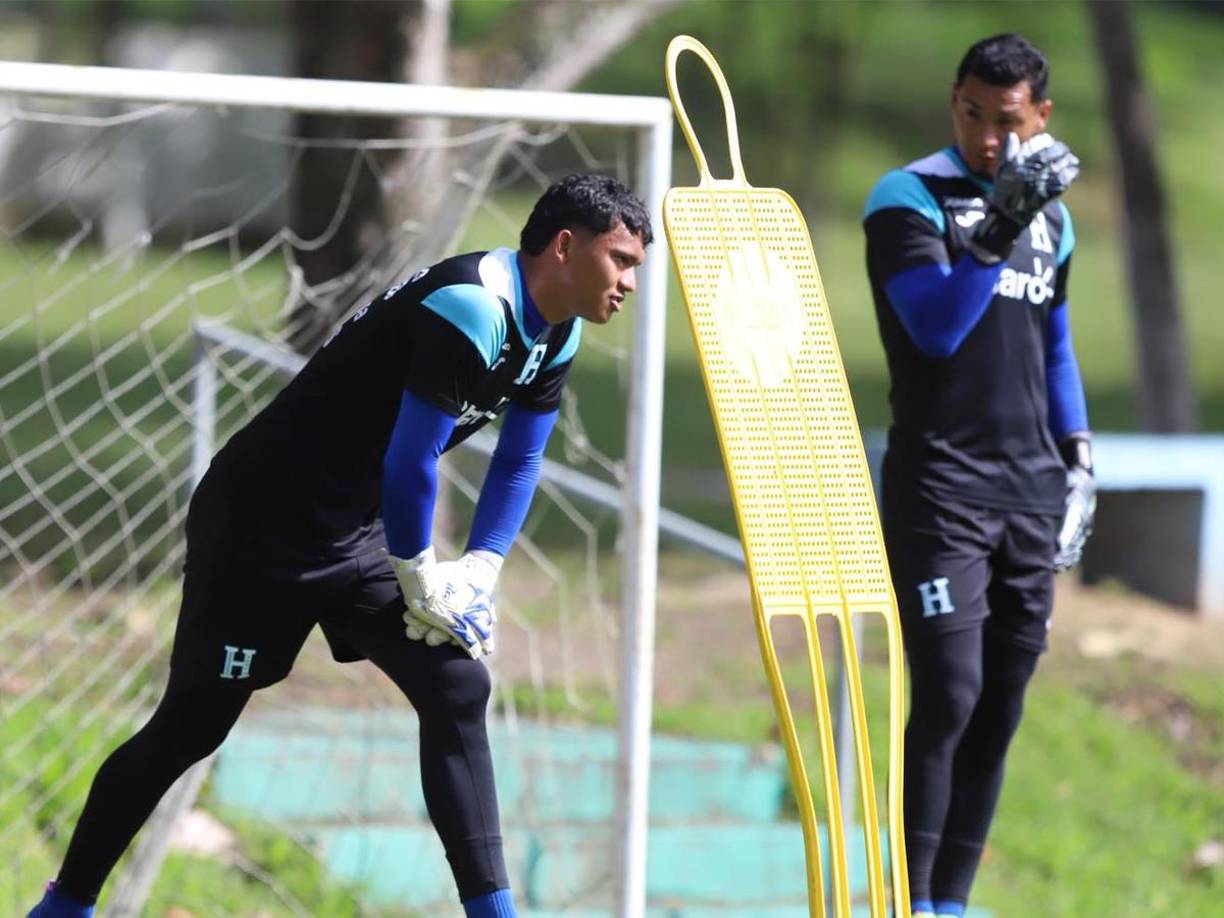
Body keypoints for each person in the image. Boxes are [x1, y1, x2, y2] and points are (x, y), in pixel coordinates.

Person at [27, 173, 652, 918]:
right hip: (261, 528)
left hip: (359, 530)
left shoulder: (559, 328)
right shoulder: (474, 306)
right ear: (564, 246)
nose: (632, 283)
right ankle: (65, 904)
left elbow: (518, 459)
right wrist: (420, 577)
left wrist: (482, 567)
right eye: (623, 260)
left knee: (456, 687)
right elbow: (410, 463)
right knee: (191, 728)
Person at [862, 34, 1094, 918]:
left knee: (1000, 703)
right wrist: (996, 223)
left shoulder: (1058, 215)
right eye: (972, 114)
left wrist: (1079, 454)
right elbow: (932, 328)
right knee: (950, 691)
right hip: (941, 489)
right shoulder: (909, 196)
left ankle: (952, 903)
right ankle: (911, 902)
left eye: (1008, 121)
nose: (989, 138)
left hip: (1030, 489)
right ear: (953, 97)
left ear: (1040, 117)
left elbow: (1056, 342)